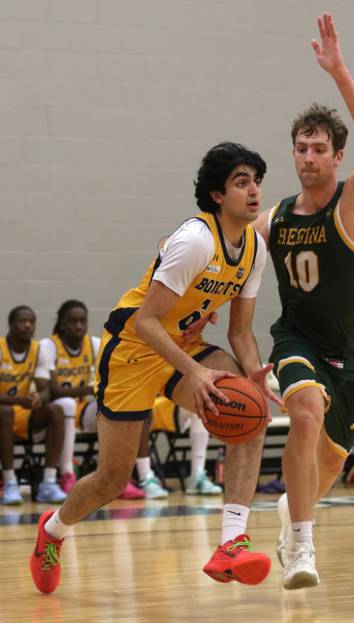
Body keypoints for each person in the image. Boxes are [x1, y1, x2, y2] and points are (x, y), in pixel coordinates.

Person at [30, 141, 281, 594]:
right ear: (218, 195)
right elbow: (145, 321)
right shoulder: (195, 240)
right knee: (112, 478)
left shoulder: (254, 252)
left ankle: (231, 543)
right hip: (131, 350)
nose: (254, 191)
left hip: (182, 346)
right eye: (241, 182)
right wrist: (198, 371)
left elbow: (241, 333)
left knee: (251, 412)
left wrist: (255, 372)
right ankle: (52, 531)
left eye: (257, 181)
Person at [254, 13, 354, 589]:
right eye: (300, 148)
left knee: (330, 465)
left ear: (338, 157)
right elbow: (226, 258)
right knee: (304, 414)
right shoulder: (276, 219)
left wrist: (339, 73)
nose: (308, 157)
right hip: (298, 341)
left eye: (319, 149)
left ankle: (291, 517)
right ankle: (304, 549)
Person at [38, 300, 147, 499]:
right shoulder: (49, 346)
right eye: (73, 321)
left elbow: (112, 379)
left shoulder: (96, 344)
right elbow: (53, 391)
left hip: (87, 410)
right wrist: (90, 388)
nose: (79, 325)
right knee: (66, 404)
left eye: (82, 321)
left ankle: (120, 478)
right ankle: (67, 473)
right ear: (62, 324)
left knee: (120, 406)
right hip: (60, 414)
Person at [0, 306, 67, 504]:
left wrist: (40, 397)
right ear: (11, 325)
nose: (28, 325)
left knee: (56, 410)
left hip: (22, 413)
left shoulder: (39, 350)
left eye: (31, 321)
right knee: (4, 411)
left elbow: (46, 389)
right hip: (4, 412)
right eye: (22, 321)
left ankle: (48, 482)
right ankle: (10, 482)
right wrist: (18, 401)